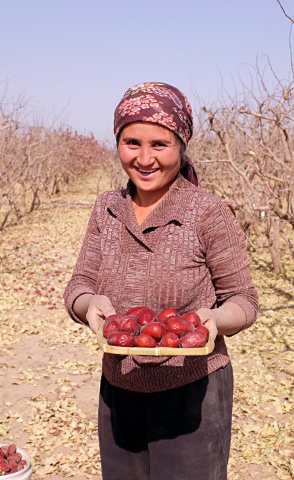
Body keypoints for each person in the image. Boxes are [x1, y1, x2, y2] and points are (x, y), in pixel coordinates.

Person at [63, 82, 258, 480]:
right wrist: (88, 305)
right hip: (119, 385)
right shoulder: (107, 209)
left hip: (192, 391)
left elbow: (243, 300)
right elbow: (79, 285)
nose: (145, 158)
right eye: (132, 143)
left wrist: (215, 320)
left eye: (160, 144)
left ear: (181, 146)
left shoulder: (208, 212)